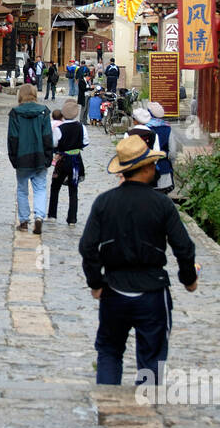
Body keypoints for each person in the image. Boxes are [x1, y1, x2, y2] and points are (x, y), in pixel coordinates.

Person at [79, 134, 198, 386]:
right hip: (152, 292)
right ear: (143, 169)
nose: (155, 168)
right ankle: (147, 408)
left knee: (110, 352)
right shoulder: (162, 204)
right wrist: (188, 279)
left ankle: (108, 408)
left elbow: (87, 246)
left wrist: (96, 282)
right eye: (152, 165)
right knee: (152, 357)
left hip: (114, 290)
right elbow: (183, 247)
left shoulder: (104, 202)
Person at [8, 83, 53, 234]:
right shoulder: (44, 112)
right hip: (40, 156)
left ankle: (24, 221)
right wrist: (49, 156)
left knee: (22, 190)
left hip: (22, 157)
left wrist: (13, 157)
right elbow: (47, 136)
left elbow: (12, 138)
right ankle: (39, 217)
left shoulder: (15, 113)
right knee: (40, 188)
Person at [49, 99, 90, 225]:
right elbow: (86, 142)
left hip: (62, 159)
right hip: (76, 159)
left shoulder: (60, 128)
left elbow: (54, 143)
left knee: (55, 186)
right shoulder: (81, 127)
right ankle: (72, 218)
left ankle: (52, 214)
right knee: (73, 188)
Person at [146, 101, 179, 194]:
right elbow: (172, 151)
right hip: (164, 168)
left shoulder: (145, 128)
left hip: (147, 169)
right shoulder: (167, 128)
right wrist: (170, 163)